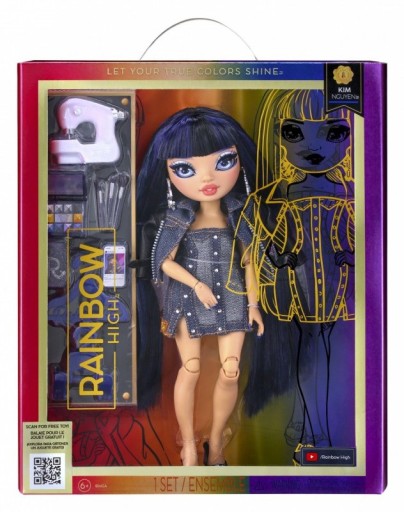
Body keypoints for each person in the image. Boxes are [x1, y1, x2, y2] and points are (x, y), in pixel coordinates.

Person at [134, 106, 264, 466]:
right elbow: (163, 262)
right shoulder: (178, 217)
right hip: (188, 299)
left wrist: (254, 305)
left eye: (224, 162)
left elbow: (250, 262)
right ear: (167, 172)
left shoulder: (240, 213)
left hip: (234, 296)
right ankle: (189, 443)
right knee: (190, 369)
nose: (207, 177)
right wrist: (196, 285)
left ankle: (217, 441)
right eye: (185, 169)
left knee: (231, 370)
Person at [234, 90, 355, 454]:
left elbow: (368, 243)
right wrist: (277, 258)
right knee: (313, 346)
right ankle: (317, 432)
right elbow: (254, 246)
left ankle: (310, 424)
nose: (313, 146)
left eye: (333, 133)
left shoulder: (352, 193)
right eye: (294, 132)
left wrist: (351, 255)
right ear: (278, 136)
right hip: (297, 285)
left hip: (337, 285)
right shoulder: (270, 197)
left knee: (320, 347)